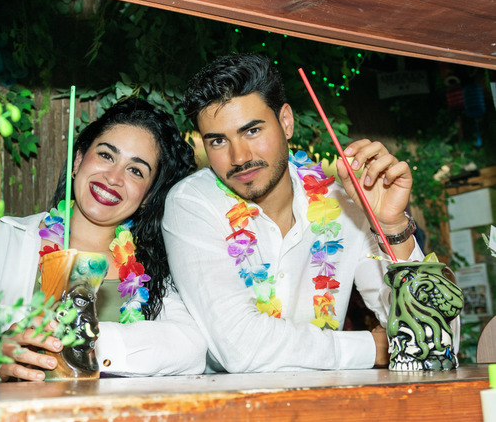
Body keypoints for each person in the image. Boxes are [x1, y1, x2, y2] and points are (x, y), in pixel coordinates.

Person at [162, 53, 426, 373]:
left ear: (286, 122)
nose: (239, 157)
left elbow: (433, 339)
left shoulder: (344, 203)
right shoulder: (193, 202)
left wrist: (392, 226)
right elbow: (241, 349)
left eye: (252, 131)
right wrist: (371, 347)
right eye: (218, 140)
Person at [0, 97, 206, 381]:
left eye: (135, 170)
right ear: (78, 160)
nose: (113, 177)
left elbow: (192, 349)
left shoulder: (155, 268)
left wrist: (85, 340)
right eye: (106, 155)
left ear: (148, 196)